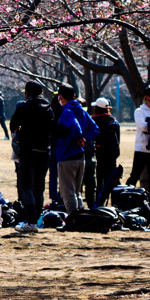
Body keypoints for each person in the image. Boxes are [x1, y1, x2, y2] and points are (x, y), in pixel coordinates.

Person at [9, 81, 54, 223]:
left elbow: (13, 126)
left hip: (28, 152)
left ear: (27, 93)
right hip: (44, 151)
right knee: (39, 187)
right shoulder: (49, 109)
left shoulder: (23, 107)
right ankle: (37, 220)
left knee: (26, 187)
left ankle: (31, 221)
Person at [54, 85, 99, 213]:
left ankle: (73, 219)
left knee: (67, 191)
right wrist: (85, 138)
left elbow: (75, 127)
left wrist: (79, 138)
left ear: (60, 97)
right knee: (76, 191)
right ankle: (81, 217)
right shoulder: (82, 110)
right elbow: (95, 128)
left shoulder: (67, 111)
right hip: (81, 156)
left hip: (67, 155)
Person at [90, 97, 121, 204]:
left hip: (99, 155)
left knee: (100, 181)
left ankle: (98, 204)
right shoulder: (114, 122)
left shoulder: (93, 121)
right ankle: (116, 202)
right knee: (112, 179)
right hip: (112, 156)